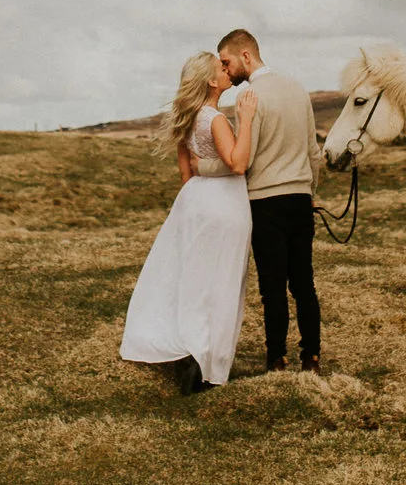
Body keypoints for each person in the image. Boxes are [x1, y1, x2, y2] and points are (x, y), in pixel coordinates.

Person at [118, 50, 258, 392]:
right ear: (211, 81)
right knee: (220, 283)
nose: (227, 72)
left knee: (193, 281)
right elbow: (238, 163)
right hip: (225, 206)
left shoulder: (187, 118)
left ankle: (186, 350)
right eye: (221, 69)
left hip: (194, 202)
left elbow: (186, 174)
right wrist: (248, 118)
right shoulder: (215, 119)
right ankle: (207, 363)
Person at [216, 28, 323, 373]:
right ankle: (312, 355)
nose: (226, 70)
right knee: (304, 283)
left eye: (227, 62)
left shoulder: (248, 100)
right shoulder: (298, 90)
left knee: (272, 286)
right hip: (300, 197)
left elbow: (245, 158)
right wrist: (310, 193)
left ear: (246, 56)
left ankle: (276, 357)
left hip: (265, 201)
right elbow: (314, 153)